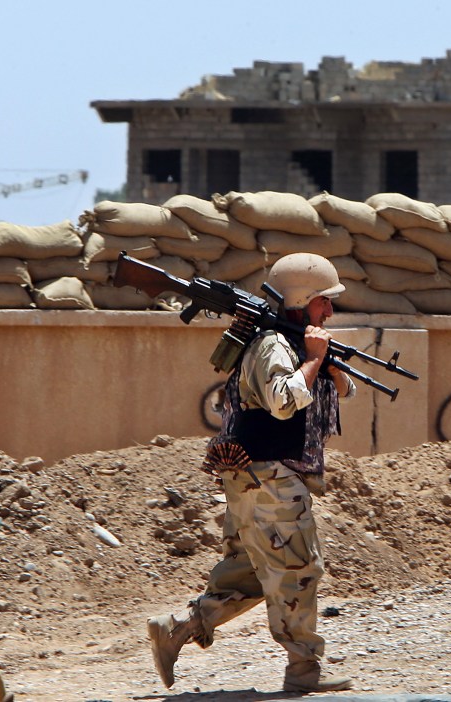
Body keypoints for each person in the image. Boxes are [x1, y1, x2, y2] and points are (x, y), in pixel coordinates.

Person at [147, 253, 356, 693]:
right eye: (323, 302)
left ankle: (177, 630)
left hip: (257, 480)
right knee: (297, 569)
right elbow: (283, 400)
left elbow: (338, 389)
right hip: (270, 481)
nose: (330, 311)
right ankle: (304, 671)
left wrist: (328, 367)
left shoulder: (292, 343)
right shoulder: (273, 346)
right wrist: (315, 360)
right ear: (301, 301)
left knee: (250, 573)